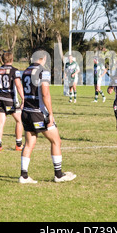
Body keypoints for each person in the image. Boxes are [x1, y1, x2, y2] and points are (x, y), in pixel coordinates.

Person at [19, 48, 76, 184]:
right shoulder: (43, 71)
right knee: (56, 141)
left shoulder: (25, 71)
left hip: (26, 111)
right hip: (38, 113)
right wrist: (50, 113)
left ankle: (24, 176)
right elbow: (45, 93)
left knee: (29, 144)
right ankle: (58, 174)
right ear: (43, 58)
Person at [0, 52, 24, 152]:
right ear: (12, 59)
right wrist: (23, 98)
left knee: (1, 122)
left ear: (2, 60)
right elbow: (18, 85)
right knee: (19, 121)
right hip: (10, 99)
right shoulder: (14, 71)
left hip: (0, 98)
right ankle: (19, 144)